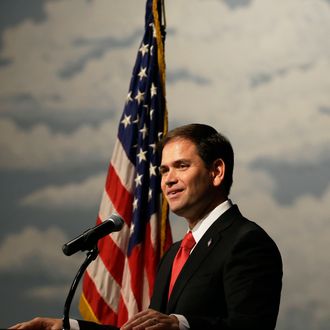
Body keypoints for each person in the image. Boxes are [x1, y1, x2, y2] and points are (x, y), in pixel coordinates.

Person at [10, 123, 282, 330]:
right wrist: (68, 327)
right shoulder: (175, 254)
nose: (168, 180)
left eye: (181, 166)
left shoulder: (246, 242)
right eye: (164, 171)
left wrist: (181, 324)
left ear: (216, 172)